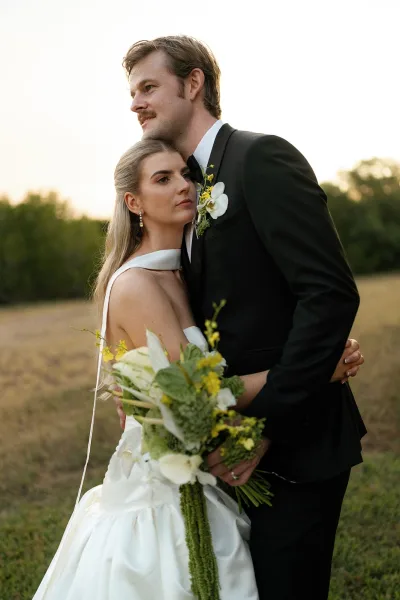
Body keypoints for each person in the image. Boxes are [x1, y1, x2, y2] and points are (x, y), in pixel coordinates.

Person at [33, 141, 361, 600]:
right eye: (163, 179)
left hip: (198, 470)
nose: (184, 186)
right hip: (160, 488)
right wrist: (317, 369)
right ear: (134, 202)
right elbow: (196, 395)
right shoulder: (137, 284)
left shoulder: (183, 273)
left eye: (185, 175)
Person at [118, 35, 367, 600]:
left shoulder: (261, 158)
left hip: (297, 446)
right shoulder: (188, 190)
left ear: (195, 83)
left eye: (149, 87)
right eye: (131, 94)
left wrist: (263, 429)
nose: (136, 103)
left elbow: (328, 294)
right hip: (228, 452)